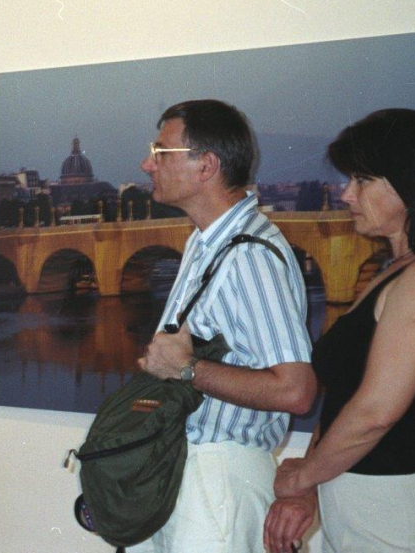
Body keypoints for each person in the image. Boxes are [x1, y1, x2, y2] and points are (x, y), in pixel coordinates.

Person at [264, 108, 415, 553]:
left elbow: (376, 412)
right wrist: (311, 484)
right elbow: (347, 399)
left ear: (409, 184)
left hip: (397, 519)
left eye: (362, 180)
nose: (346, 194)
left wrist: (302, 477)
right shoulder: (396, 271)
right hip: (361, 508)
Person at [132, 100, 316, 553]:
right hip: (190, 472)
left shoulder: (249, 255)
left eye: (161, 152)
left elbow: (296, 390)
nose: (147, 164)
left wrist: (187, 368)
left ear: (206, 166)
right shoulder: (206, 243)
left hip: (218, 484)